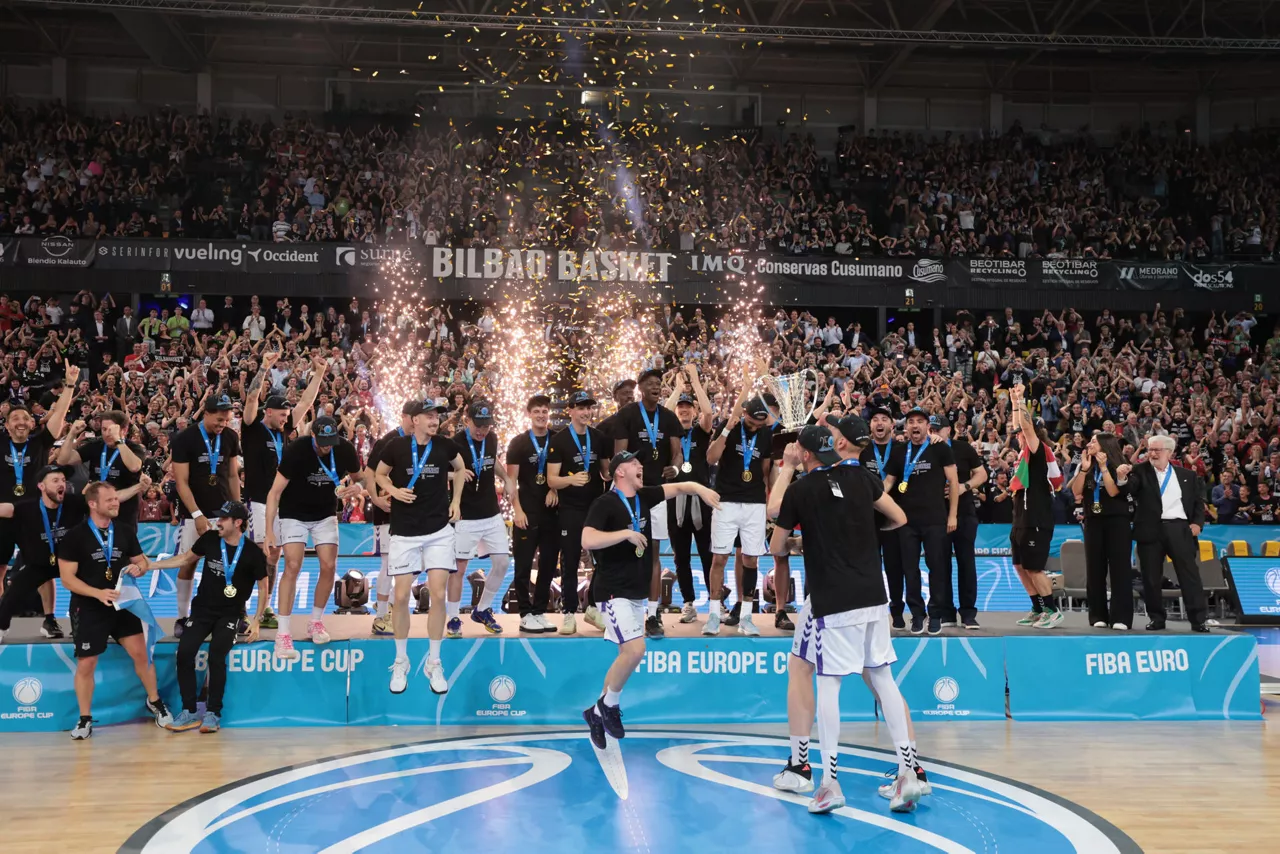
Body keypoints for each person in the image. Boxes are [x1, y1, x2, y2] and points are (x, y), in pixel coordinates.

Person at [767, 425, 922, 814]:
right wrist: (860, 534)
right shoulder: (864, 477)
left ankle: (828, 782)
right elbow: (898, 517)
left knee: (829, 684)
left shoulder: (801, 490)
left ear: (804, 455)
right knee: (883, 678)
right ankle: (909, 775)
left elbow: (775, 543)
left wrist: (786, 471)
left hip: (832, 599)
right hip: (873, 593)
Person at [581, 451, 720, 749]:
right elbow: (588, 540)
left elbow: (679, 488)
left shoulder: (644, 497)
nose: (641, 466)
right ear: (620, 472)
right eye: (634, 464)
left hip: (634, 593)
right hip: (611, 592)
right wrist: (625, 534)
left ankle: (595, 713)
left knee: (625, 655)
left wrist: (700, 488)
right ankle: (609, 705)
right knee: (635, 651)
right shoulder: (604, 503)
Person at [57, 481, 172, 739]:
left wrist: (139, 568)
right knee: (86, 663)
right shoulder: (75, 536)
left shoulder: (124, 531)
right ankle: (85, 718)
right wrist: (97, 593)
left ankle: (154, 701)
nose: (115, 503)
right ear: (93, 504)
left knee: (142, 653)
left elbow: (142, 562)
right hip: (88, 607)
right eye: (109, 500)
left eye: (116, 499)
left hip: (123, 604)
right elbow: (67, 579)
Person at [144, 500, 269, 733]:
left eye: (223, 519)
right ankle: (190, 711)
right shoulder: (210, 540)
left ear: (238, 523)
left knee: (216, 656)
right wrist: (151, 566)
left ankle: (213, 713)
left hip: (230, 614)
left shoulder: (253, 553)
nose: (217, 522)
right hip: (202, 610)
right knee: (184, 654)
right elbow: (184, 559)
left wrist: (256, 621)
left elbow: (264, 588)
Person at [375, 398, 467, 694]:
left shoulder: (445, 445)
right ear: (413, 419)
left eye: (436, 416)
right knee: (400, 596)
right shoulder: (396, 446)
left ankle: (434, 662)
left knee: (438, 593)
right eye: (428, 415)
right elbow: (378, 474)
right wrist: (391, 491)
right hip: (404, 531)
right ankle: (401, 660)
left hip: (439, 530)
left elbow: (461, 468)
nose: (434, 420)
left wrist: (455, 501)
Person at [265, 415, 364, 659]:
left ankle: (316, 621)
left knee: (329, 565)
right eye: (322, 441)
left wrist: (358, 488)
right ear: (313, 436)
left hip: (324, 513)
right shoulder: (297, 450)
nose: (327, 446)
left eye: (331, 441)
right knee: (292, 565)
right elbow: (275, 492)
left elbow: (362, 478)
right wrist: (269, 530)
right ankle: (283, 634)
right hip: (294, 513)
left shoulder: (344, 448)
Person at [240, 352, 326, 630]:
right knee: (255, 554)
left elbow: (306, 402)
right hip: (259, 501)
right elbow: (251, 398)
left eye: (287, 416)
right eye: (281, 415)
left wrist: (320, 373)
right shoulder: (252, 428)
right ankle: (240, 607)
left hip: (281, 502)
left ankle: (264, 608)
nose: (286, 419)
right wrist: (264, 367)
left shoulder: (284, 430)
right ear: (269, 412)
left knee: (273, 555)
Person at [609, 369, 685, 638]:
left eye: (659, 384)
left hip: (656, 494)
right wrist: (630, 474)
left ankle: (653, 615)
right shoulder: (627, 414)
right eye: (650, 383)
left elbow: (677, 455)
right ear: (641, 388)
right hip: (627, 492)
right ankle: (622, 610)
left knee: (653, 553)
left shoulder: (669, 417)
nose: (656, 387)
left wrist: (675, 470)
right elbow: (619, 454)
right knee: (622, 550)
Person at [1116, 434, 1209, 632]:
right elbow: (1128, 490)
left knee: (1189, 575)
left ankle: (1199, 620)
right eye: (1150, 449)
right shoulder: (1140, 471)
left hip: (1179, 529)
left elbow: (1197, 503)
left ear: (1169, 452)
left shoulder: (1187, 475)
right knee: (1150, 577)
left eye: (1157, 450)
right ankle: (1157, 619)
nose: (1152, 453)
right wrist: (1122, 478)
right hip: (1150, 530)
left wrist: (1198, 524)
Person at [882, 407, 960, 636]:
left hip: (935, 519)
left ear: (928, 426)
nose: (915, 426)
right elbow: (888, 482)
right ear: (906, 427)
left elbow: (954, 482)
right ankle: (917, 613)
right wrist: (874, 499)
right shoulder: (898, 451)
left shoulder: (940, 449)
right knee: (909, 569)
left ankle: (935, 614)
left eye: (920, 421)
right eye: (911, 422)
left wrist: (952, 514)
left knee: (937, 568)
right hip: (905, 521)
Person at [171, 394, 242, 636]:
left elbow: (232, 476)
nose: (223, 425)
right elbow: (181, 482)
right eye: (219, 420)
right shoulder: (185, 438)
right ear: (206, 413)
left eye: (227, 420)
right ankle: (182, 617)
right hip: (194, 514)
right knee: (188, 563)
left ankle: (233, 614)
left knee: (229, 566)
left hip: (223, 513)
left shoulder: (231, 437)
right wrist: (197, 514)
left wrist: (237, 509)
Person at [0, 366, 75, 591]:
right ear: (6, 425)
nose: (21, 422)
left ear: (33, 423)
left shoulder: (39, 443)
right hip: (3, 513)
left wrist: (70, 385)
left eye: (25, 418)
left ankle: (50, 619)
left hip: (35, 514)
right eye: (14, 418)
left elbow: (60, 415)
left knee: (42, 566)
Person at [705, 390, 773, 636]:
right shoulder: (729, 426)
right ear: (744, 413)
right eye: (751, 422)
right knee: (719, 558)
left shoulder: (766, 434)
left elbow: (765, 471)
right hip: (726, 501)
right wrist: (726, 430)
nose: (754, 427)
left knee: (750, 560)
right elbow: (711, 458)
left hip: (754, 504)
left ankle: (746, 616)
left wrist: (767, 504)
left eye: (759, 423)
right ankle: (713, 614)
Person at [447, 401, 515, 637]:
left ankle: (482, 609)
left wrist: (506, 477)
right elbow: (436, 468)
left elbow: (491, 461)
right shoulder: (455, 443)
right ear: (467, 420)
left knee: (503, 563)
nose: (482, 430)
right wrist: (455, 472)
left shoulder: (492, 438)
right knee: (458, 569)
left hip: (491, 513)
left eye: (486, 426)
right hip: (465, 516)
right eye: (478, 425)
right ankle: (453, 617)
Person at [0, 465, 91, 641]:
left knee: (96, 584)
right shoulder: (27, 507)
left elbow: (107, 500)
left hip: (71, 563)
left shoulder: (74, 502)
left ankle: (92, 625)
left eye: (63, 480)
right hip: (40, 564)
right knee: (13, 593)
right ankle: (2, 627)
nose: (61, 484)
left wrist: (138, 488)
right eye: (55, 480)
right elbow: (5, 508)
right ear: (41, 486)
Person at [546, 390, 610, 635]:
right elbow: (552, 480)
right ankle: (569, 613)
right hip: (571, 508)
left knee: (602, 561)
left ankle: (594, 607)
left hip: (596, 508)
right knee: (570, 560)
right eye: (581, 408)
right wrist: (571, 481)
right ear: (570, 410)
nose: (586, 412)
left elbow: (605, 471)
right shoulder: (560, 441)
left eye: (588, 408)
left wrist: (612, 473)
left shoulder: (599, 437)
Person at [1006, 384, 1064, 628]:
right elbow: (1018, 425)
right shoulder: (1022, 456)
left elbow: (1027, 428)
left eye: (1021, 433)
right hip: (1020, 519)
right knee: (1020, 566)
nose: (1017, 434)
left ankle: (1053, 611)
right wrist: (1012, 404)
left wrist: (1020, 401)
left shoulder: (1038, 452)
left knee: (1034, 567)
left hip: (1036, 520)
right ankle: (1038, 608)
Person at [663, 367, 715, 624]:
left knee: (708, 555)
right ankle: (688, 604)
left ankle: (716, 604)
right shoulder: (669, 434)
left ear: (692, 412)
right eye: (680, 408)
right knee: (680, 557)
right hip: (675, 501)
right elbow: (662, 413)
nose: (683, 411)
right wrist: (676, 389)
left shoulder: (701, 432)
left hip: (702, 500)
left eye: (687, 408)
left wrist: (694, 381)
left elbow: (708, 412)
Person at [506, 394, 560, 633]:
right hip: (526, 513)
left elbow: (563, 473)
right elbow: (511, 481)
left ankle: (539, 611)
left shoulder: (558, 440)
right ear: (529, 414)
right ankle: (525, 613)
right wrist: (517, 510)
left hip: (552, 513)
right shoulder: (518, 443)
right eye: (536, 411)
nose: (541, 415)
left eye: (544, 411)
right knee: (523, 565)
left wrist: (554, 488)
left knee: (548, 564)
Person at [1069, 431, 1133, 630]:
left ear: (1106, 445)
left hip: (1117, 521)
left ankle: (1121, 617)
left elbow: (1114, 491)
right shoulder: (1086, 465)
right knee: (1095, 568)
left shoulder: (1120, 466)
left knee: (1119, 569)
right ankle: (1098, 615)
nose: (1089, 443)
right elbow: (1076, 491)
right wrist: (1084, 470)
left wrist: (1104, 467)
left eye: (1094, 441)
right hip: (1093, 520)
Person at [364, 401, 418, 636]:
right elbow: (369, 472)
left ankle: (390, 603)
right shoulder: (387, 441)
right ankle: (380, 616)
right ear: (404, 416)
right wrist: (375, 499)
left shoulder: (420, 442)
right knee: (388, 564)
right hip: (386, 510)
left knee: (418, 561)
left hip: (410, 511)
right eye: (413, 418)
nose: (416, 423)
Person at [931, 414, 987, 630]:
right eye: (932, 430)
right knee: (940, 564)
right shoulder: (924, 451)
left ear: (949, 430)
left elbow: (982, 475)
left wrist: (964, 486)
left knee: (966, 563)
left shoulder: (963, 449)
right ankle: (946, 613)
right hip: (936, 516)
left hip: (964, 513)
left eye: (938, 430)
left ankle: (968, 613)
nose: (935, 434)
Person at [859, 406, 911, 629]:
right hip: (866, 516)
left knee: (894, 566)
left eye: (884, 419)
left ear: (892, 424)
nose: (879, 423)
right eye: (875, 420)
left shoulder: (902, 449)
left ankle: (897, 612)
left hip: (893, 516)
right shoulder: (861, 449)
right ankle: (868, 612)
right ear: (870, 426)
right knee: (868, 565)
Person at [56, 410, 146, 529]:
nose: (107, 434)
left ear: (124, 430)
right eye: (104, 429)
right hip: (96, 510)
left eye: (111, 430)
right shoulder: (96, 445)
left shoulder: (134, 448)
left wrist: (118, 440)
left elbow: (134, 467)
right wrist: (71, 434)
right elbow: (63, 460)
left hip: (122, 511)